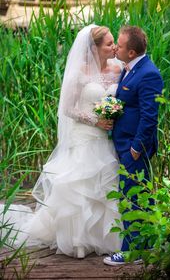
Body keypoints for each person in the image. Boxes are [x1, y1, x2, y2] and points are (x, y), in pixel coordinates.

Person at [0, 24, 122, 259]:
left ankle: (106, 238)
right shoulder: (81, 73)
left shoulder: (118, 69)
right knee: (81, 187)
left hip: (106, 140)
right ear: (94, 48)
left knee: (104, 186)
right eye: (108, 43)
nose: (114, 45)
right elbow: (67, 108)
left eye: (114, 41)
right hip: (84, 136)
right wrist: (96, 121)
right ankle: (78, 241)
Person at [103, 26, 164, 266]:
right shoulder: (130, 69)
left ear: (131, 52)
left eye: (119, 44)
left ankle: (130, 252)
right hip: (124, 144)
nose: (115, 46)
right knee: (139, 196)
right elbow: (129, 103)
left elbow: (150, 117)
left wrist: (136, 149)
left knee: (132, 197)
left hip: (134, 148)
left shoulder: (149, 73)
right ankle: (146, 247)